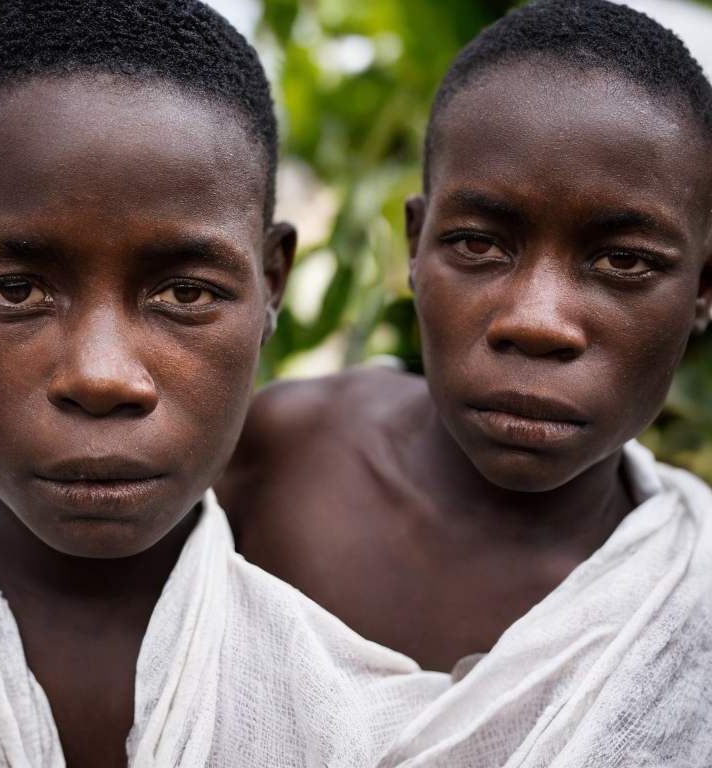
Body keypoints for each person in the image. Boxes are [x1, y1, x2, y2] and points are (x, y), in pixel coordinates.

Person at [0, 2, 452, 767]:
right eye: (17, 291)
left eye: (184, 294)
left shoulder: (372, 717)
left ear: (271, 283)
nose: (102, 376)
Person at [217, 0, 712, 763]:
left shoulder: (689, 596)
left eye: (622, 261)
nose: (539, 322)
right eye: (479, 243)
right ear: (416, 247)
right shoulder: (277, 453)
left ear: (704, 290)